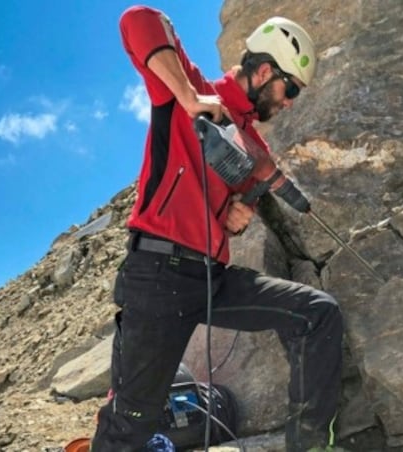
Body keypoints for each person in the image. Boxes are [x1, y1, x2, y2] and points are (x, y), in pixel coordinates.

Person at [90, 5, 344, 452]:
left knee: (317, 313)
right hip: (156, 274)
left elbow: (230, 204)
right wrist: (190, 98)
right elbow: (139, 19)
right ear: (265, 71)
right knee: (131, 423)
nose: (288, 103)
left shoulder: (255, 148)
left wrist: (234, 217)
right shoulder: (188, 91)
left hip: (210, 279)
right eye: (291, 91)